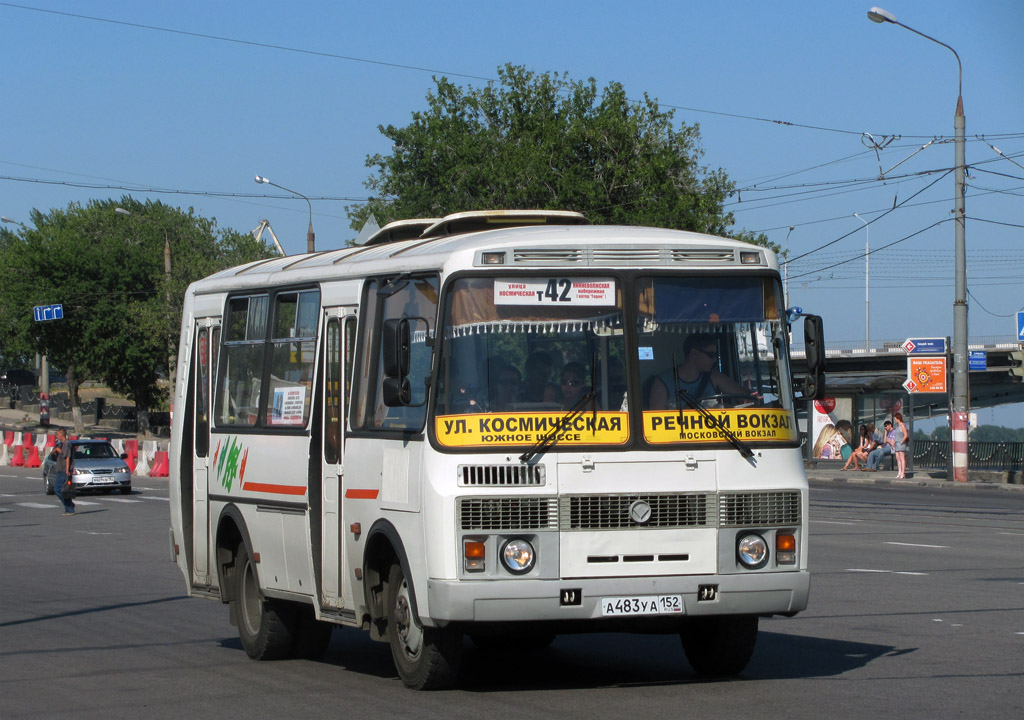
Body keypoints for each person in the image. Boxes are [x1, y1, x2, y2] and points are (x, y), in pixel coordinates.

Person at [646, 333, 754, 410]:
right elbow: (656, 419)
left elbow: (744, 394)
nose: (715, 359)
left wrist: (752, 397)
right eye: (711, 355)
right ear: (694, 353)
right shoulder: (663, 382)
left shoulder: (714, 376)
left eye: (716, 356)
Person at [53, 427, 75, 515]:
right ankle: (69, 507)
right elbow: (52, 453)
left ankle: (69, 506)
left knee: (57, 488)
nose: (56, 436)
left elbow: (67, 458)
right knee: (62, 490)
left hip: (64, 470)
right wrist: (56, 450)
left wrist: (67, 470)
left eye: (57, 434)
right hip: (60, 469)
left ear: (62, 435)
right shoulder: (60, 444)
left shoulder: (66, 444)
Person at [892, 412, 910, 478]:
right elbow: (895, 436)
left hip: (901, 443)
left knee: (902, 458)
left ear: (898, 418)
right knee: (898, 458)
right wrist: (893, 444)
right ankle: (899, 472)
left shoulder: (902, 425)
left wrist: (901, 442)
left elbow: (905, 435)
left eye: (895, 419)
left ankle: (903, 473)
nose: (894, 420)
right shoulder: (897, 426)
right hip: (897, 443)